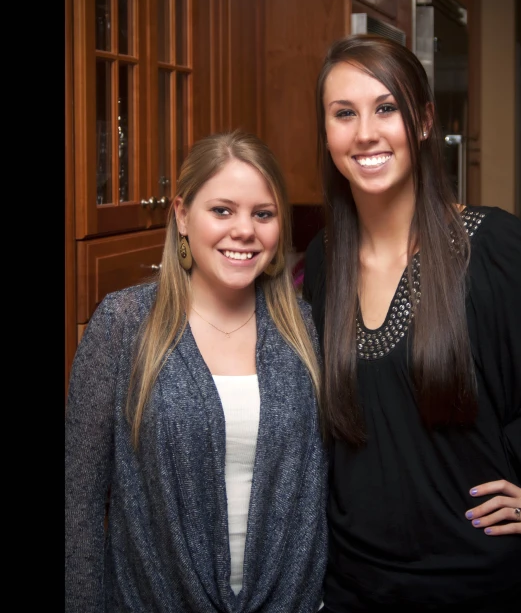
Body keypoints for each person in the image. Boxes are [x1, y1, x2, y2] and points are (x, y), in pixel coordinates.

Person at [302, 34, 521, 613]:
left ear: (424, 121)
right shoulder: (324, 259)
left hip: (477, 588)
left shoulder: (493, 250)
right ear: (327, 133)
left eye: (387, 108)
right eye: (343, 114)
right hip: (350, 587)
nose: (366, 133)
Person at [65, 129, 328, 613]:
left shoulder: (304, 328)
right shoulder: (122, 326)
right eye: (222, 210)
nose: (244, 230)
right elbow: (78, 506)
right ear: (183, 216)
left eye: (263, 214)